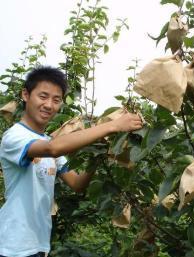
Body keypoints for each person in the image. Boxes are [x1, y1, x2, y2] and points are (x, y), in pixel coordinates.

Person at [0, 66, 143, 257]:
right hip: (13, 244)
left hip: (39, 243)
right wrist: (112, 125)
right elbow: (52, 149)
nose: (49, 105)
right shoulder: (15, 137)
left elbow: (77, 184)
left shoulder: (48, 142)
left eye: (56, 100)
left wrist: (97, 153)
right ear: (26, 95)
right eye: (43, 96)